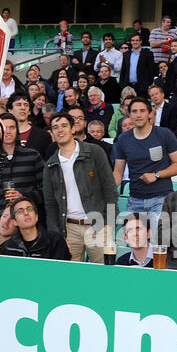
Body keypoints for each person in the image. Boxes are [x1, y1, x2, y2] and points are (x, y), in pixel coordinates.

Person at [42, 112, 117, 262]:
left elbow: (110, 189)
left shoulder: (94, 152)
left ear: (73, 129)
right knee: (71, 276)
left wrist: (109, 223)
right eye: (55, 127)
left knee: (103, 272)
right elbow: (50, 205)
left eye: (64, 126)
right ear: (51, 134)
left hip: (98, 224)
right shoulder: (50, 164)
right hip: (69, 228)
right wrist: (57, 236)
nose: (60, 130)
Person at [111, 97, 177, 232]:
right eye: (134, 111)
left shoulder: (164, 134)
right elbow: (118, 173)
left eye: (142, 111)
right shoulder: (123, 139)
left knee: (158, 243)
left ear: (149, 113)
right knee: (133, 242)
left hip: (161, 198)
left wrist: (157, 175)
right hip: (135, 199)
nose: (138, 115)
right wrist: (105, 190)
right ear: (129, 114)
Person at [0, 196, 71, 260]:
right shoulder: (8, 247)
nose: (26, 213)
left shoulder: (55, 240)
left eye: (29, 209)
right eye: (20, 211)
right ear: (15, 222)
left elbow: (62, 271)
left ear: (36, 216)